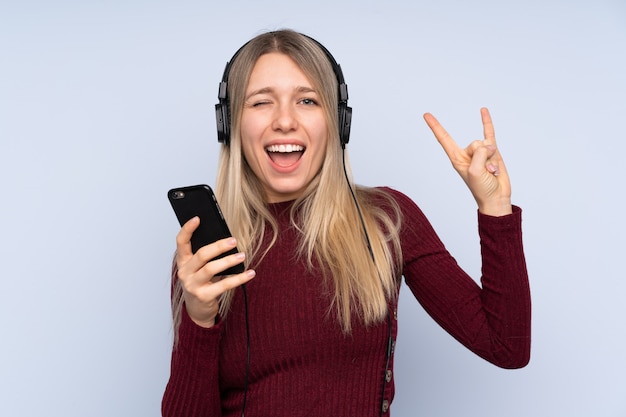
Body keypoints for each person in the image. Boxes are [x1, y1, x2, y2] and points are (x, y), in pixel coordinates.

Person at [162, 29, 531, 417]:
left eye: (307, 100)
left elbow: (506, 345)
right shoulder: (208, 254)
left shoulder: (386, 220)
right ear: (230, 124)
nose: (284, 121)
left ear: (338, 121)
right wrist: (199, 321)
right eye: (261, 103)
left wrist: (495, 208)